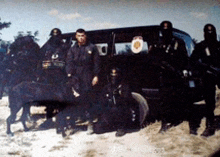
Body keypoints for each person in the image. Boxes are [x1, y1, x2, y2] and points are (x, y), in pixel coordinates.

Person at [66, 28, 101, 134]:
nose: (81, 38)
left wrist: (96, 76)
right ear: (76, 37)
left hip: (87, 76)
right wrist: (69, 74)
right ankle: (72, 125)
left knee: (88, 100)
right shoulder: (72, 49)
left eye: (83, 36)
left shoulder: (92, 47)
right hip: (76, 77)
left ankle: (90, 124)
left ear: (85, 36)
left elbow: (97, 63)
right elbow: (69, 62)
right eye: (79, 36)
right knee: (73, 101)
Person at [190, 24, 220, 137]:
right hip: (208, 77)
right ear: (204, 33)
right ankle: (210, 127)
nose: (210, 34)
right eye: (208, 32)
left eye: (212, 32)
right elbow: (193, 61)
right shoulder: (200, 46)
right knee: (209, 104)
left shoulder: (219, 45)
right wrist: (204, 68)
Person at [93, 68, 140, 137]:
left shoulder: (124, 87)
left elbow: (128, 101)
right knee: (97, 129)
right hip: (110, 112)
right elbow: (101, 101)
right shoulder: (107, 87)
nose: (114, 78)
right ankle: (111, 126)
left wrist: (119, 96)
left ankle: (121, 127)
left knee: (119, 110)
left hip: (120, 111)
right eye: (112, 76)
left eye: (115, 75)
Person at [38, 28, 71, 120]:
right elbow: (39, 58)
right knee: (48, 97)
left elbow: (69, 60)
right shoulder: (46, 46)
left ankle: (62, 119)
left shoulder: (65, 46)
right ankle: (48, 118)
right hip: (48, 76)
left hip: (61, 76)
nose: (55, 38)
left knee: (61, 96)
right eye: (53, 36)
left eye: (57, 36)